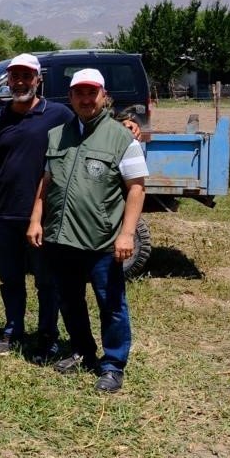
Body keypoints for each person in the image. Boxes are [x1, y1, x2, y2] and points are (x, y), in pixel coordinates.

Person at [29, 68, 148, 393]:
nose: (85, 98)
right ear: (70, 97)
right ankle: (82, 350)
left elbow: (136, 188)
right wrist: (36, 219)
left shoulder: (121, 137)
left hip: (103, 241)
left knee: (110, 302)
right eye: (78, 93)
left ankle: (112, 365)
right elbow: (47, 181)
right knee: (69, 300)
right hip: (61, 238)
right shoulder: (57, 135)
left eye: (91, 93)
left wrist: (126, 234)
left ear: (103, 96)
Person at [0, 53, 75, 362]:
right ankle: (13, 330)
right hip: (6, 212)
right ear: (8, 79)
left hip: (43, 215)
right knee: (10, 279)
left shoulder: (59, 114)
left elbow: (90, 129)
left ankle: (47, 336)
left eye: (27, 76)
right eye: (15, 76)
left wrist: (129, 127)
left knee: (47, 281)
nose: (20, 81)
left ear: (38, 79)